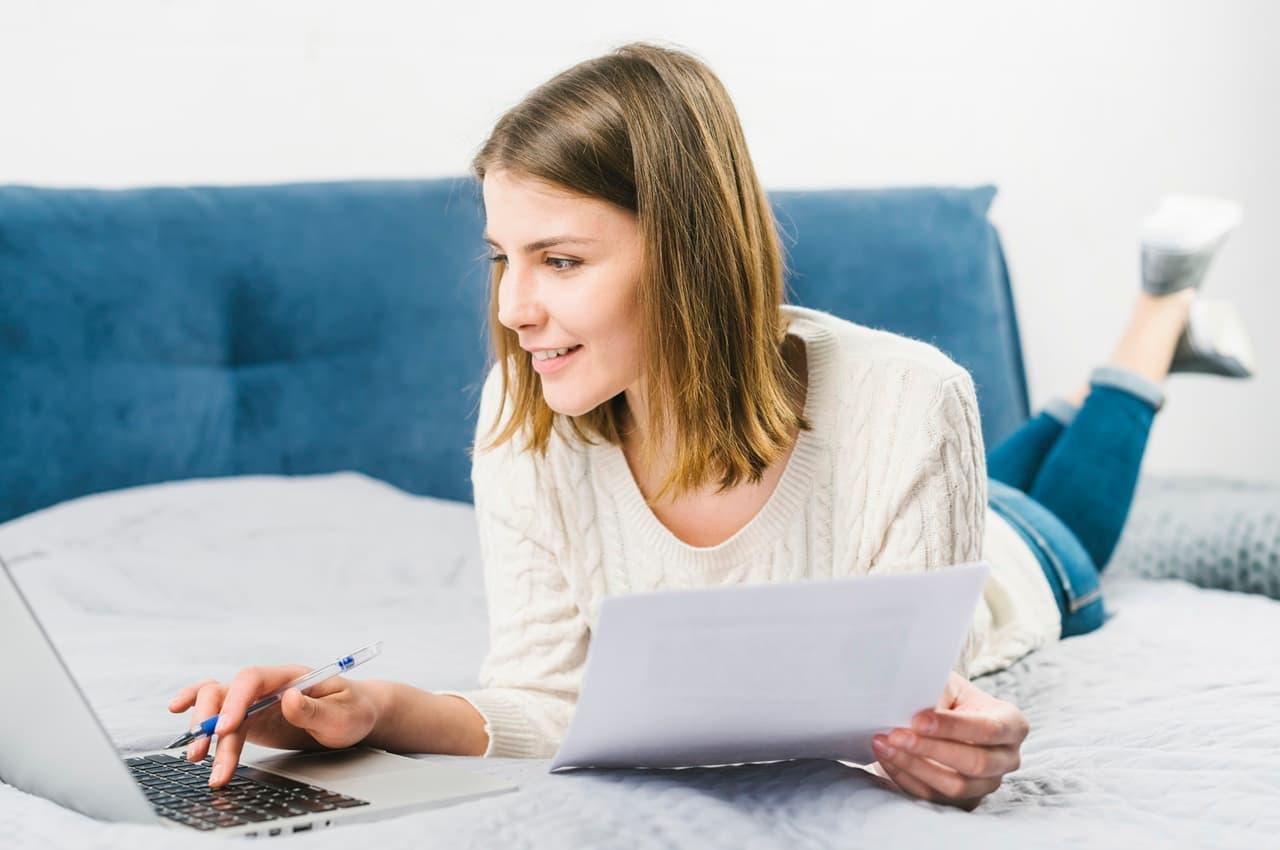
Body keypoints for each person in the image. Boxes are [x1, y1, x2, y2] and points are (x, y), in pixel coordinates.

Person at [167, 43, 1254, 811]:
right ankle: (1075, 394)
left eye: (559, 260)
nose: (511, 309)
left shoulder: (912, 397)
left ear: (685, 251)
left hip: (1021, 569)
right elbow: (548, 703)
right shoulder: (527, 411)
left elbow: (908, 718)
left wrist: (951, 752)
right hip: (936, 464)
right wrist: (379, 707)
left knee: (1059, 510)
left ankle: (1157, 317)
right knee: (1012, 455)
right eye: (504, 258)